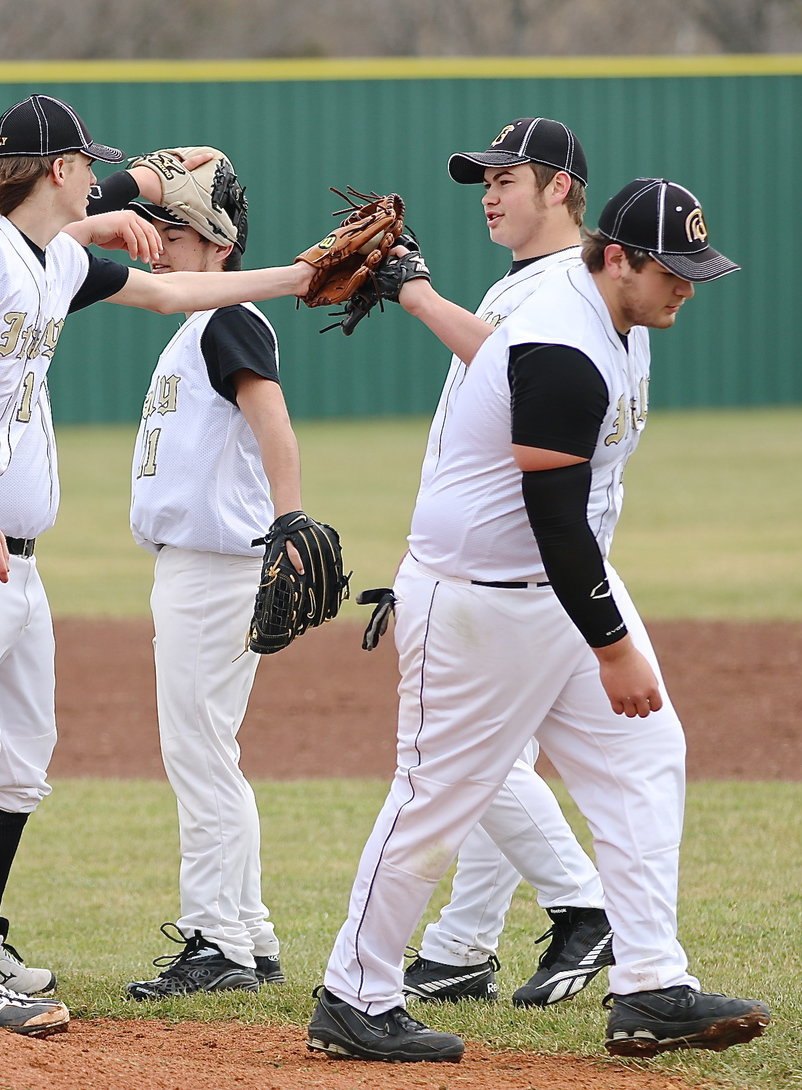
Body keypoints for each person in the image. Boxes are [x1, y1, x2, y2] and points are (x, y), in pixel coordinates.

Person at [0, 92, 313, 1034]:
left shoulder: (51, 259)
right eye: (81, 163)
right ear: (57, 170)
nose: (91, 174)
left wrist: (296, 278)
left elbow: (175, 292)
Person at [307, 178, 771, 1062]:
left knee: (645, 758)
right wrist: (614, 647)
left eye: (695, 271)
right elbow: (552, 515)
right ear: (616, 257)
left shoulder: (618, 314)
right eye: (671, 269)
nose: (686, 286)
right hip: (483, 598)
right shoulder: (565, 340)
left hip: (555, 582)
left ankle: (648, 985)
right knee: (436, 798)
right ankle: (353, 996)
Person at [403, 119, 613, 1010]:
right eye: (483, 179)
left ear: (561, 185)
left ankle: (585, 906)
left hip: (515, 567)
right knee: (499, 755)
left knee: (460, 758)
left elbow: (516, 372)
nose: (490, 192)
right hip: (502, 561)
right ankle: (460, 948)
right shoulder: (528, 282)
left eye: (509, 177)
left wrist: (415, 294)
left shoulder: (574, 287)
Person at [121, 150, 304, 999]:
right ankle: (249, 934)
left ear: (220, 246)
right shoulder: (197, 320)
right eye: (159, 226)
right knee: (208, 751)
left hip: (215, 567)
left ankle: (215, 940)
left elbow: (272, 420)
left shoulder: (229, 318)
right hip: (199, 566)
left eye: (176, 230)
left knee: (198, 754)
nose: (158, 242)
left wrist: (290, 518)